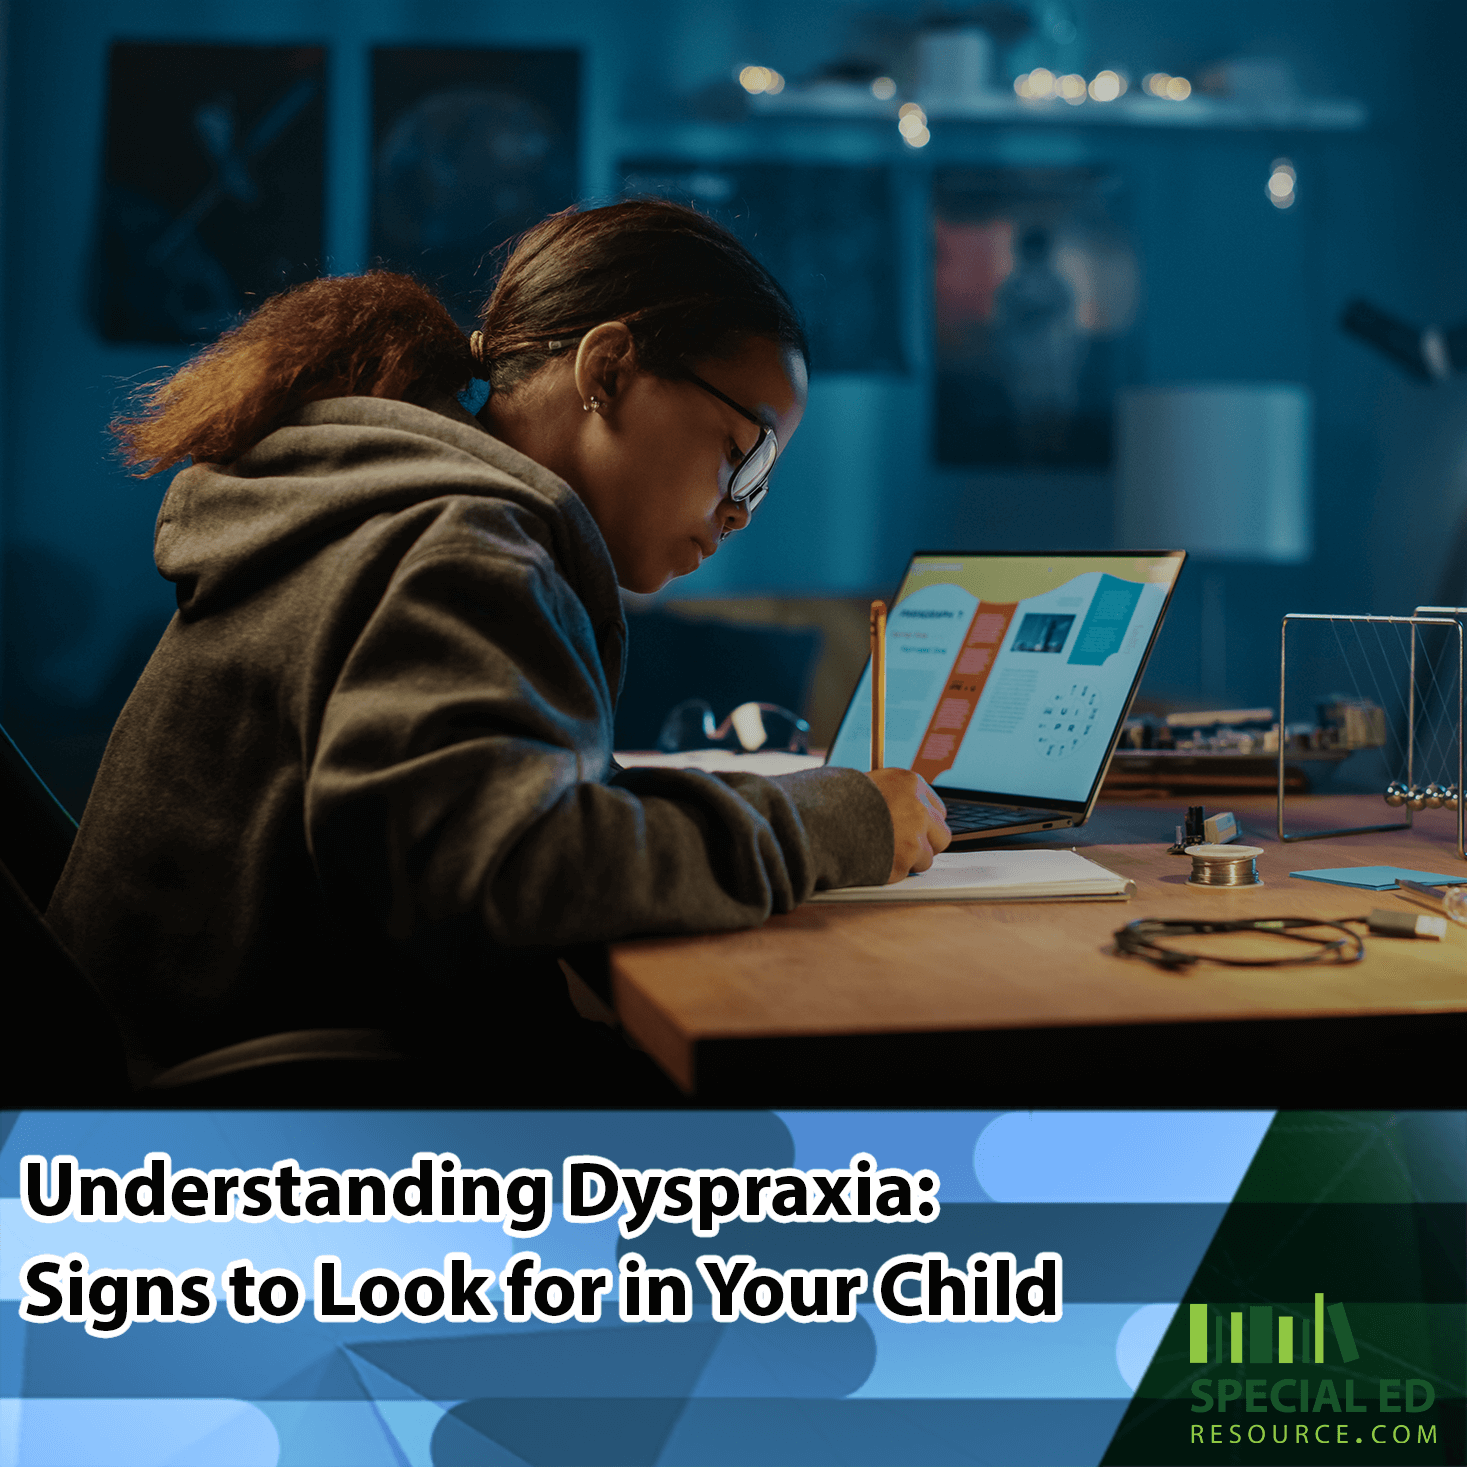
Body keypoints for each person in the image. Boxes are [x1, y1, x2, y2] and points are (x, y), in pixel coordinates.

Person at [47, 200, 950, 1101]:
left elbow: (489, 810)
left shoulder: (396, 507)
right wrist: (829, 826)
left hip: (192, 1085)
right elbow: (511, 866)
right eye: (741, 455)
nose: (742, 510)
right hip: (278, 1141)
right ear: (608, 369)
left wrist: (792, 811)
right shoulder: (462, 545)